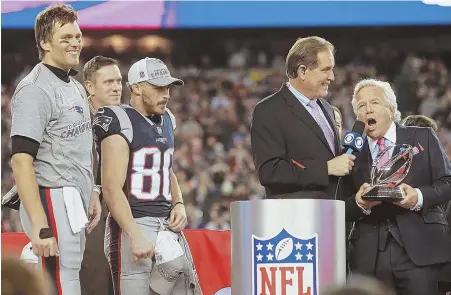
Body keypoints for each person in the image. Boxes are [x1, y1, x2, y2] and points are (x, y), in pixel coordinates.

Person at [9, 4, 100, 295]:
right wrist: (39, 225)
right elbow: (21, 160)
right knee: (62, 280)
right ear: (45, 43)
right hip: (51, 196)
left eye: (78, 35)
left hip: (71, 198)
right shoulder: (35, 88)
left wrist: (93, 190)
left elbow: (79, 147)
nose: (75, 42)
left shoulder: (73, 85)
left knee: (65, 275)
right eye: (66, 37)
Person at [92, 57, 202, 295]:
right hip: (133, 222)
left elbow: (165, 169)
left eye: (168, 87)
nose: (166, 94)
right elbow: (111, 188)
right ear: (137, 88)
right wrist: (134, 234)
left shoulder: (167, 119)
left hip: (165, 227)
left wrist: (179, 203)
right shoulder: (119, 120)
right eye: (159, 87)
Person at [344, 79, 451, 295]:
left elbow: (447, 182)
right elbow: (340, 204)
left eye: (374, 102)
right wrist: (359, 202)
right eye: (361, 106)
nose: (367, 109)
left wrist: (418, 197)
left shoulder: (423, 137)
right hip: (370, 256)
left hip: (419, 251)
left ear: (392, 110)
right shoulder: (350, 151)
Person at [251, 36, 355, 200]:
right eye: (325, 69)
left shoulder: (328, 109)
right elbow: (270, 171)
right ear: (302, 71)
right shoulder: (269, 110)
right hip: (295, 219)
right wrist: (325, 168)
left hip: (333, 216)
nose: (332, 77)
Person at [80, 55, 123, 295]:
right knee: (94, 282)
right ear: (90, 86)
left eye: (119, 81)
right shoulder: (75, 121)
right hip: (90, 215)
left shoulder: (126, 119)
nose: (117, 87)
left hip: (123, 213)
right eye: (109, 82)